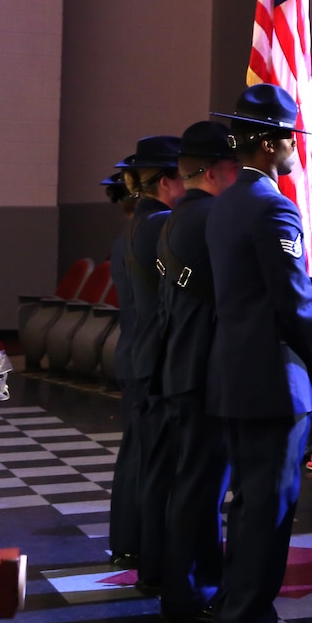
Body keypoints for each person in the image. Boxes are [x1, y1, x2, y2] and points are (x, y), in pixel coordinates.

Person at [204, 84, 312, 623]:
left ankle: (234, 616)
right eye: (292, 139)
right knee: (267, 509)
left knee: (249, 506)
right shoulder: (272, 205)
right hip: (273, 382)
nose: (299, 149)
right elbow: (291, 301)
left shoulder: (225, 201)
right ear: (271, 145)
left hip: (235, 376)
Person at [150, 121, 239, 623]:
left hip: (181, 363)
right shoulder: (209, 216)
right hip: (202, 368)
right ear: (213, 170)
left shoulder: (176, 216)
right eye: (232, 165)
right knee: (200, 487)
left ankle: (193, 580)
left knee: (195, 484)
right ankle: (187, 590)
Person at [108, 134, 185, 583]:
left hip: (134, 351)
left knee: (137, 455)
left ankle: (130, 544)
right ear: (166, 180)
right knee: (155, 461)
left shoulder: (138, 221)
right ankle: (150, 553)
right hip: (151, 356)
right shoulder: (159, 225)